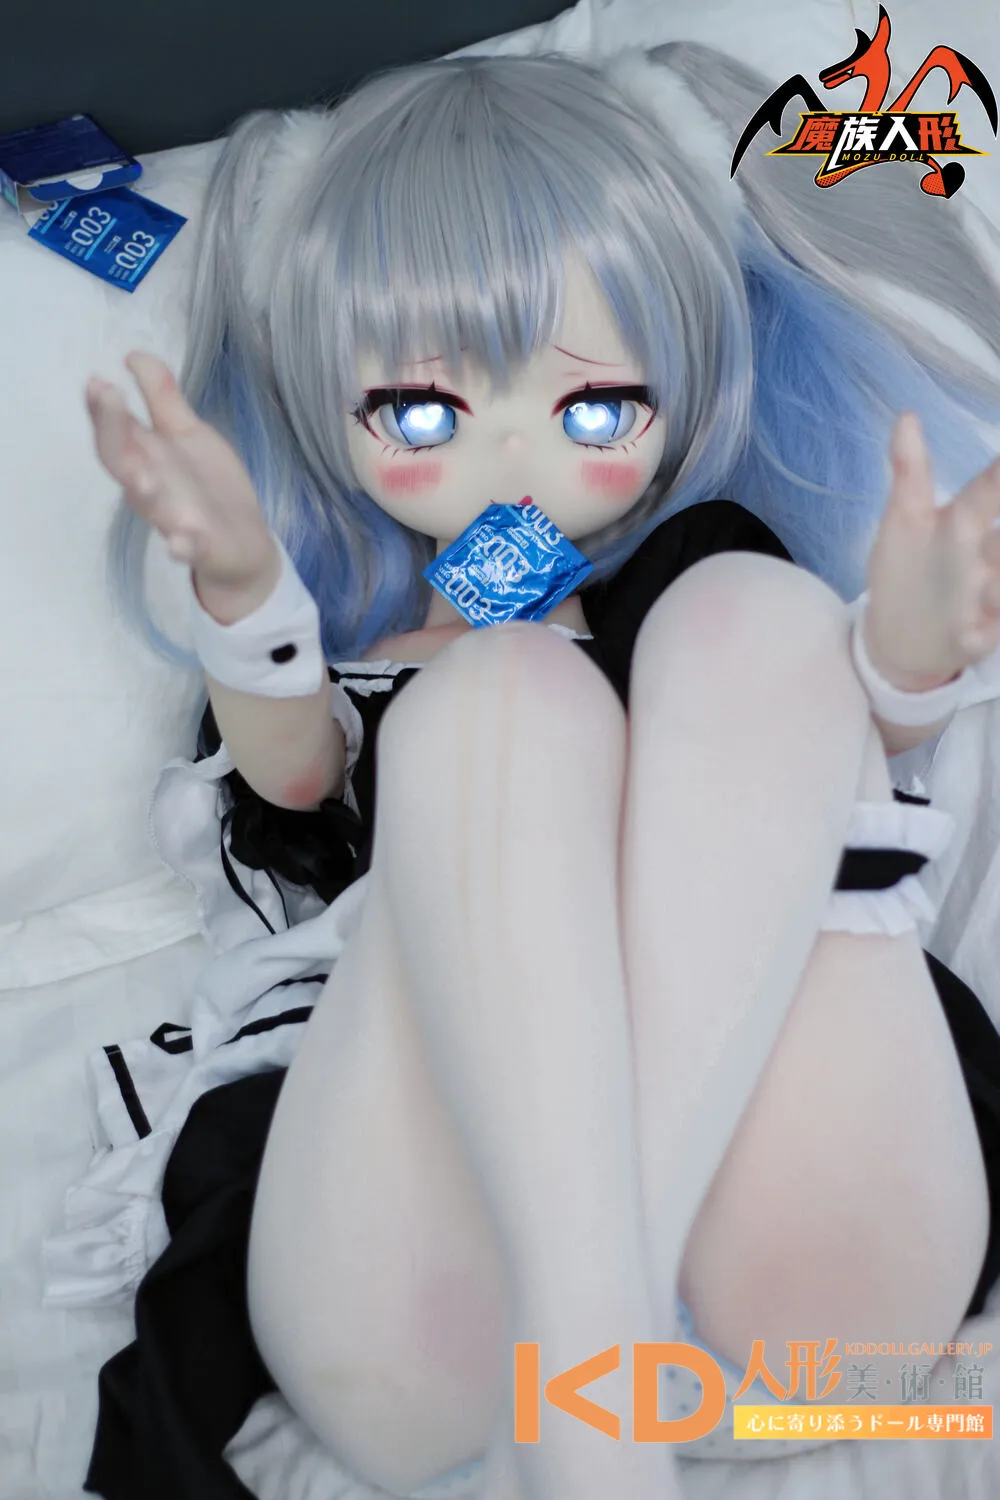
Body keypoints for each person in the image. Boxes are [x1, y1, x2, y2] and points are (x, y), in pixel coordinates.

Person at [54, 42, 1000, 1500]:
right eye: (423, 414)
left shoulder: (718, 596)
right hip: (435, 1296)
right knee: (505, 693)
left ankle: (597, 1365)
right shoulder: (372, 656)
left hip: (807, 1269)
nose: (510, 461)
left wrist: (907, 655)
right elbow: (294, 786)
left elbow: (835, 768)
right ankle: (593, 1368)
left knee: (749, 613)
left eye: (593, 408)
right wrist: (247, 602)